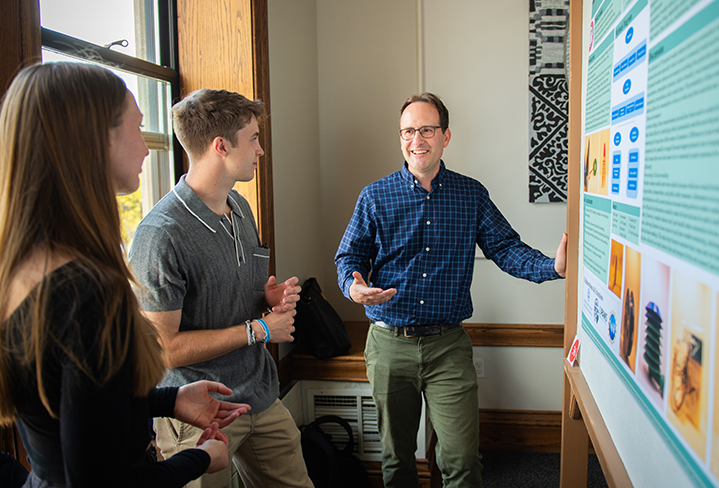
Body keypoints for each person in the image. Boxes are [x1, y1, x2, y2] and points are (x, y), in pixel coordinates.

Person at [0, 62, 250, 488]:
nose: (147, 148)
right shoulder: (87, 292)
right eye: (136, 127)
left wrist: (169, 399)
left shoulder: (21, 267)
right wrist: (199, 458)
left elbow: (75, 409)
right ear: (94, 140)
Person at [335, 92, 568, 487]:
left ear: (445, 136)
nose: (416, 140)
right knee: (397, 459)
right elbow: (348, 258)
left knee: (461, 460)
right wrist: (353, 289)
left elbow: (507, 249)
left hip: (448, 347)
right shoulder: (374, 196)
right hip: (389, 346)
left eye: (426, 130)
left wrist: (553, 267)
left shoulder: (471, 194)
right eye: (408, 131)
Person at [128, 88, 314, 488]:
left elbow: (232, 295)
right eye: (253, 139)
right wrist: (259, 330)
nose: (260, 150)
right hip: (199, 411)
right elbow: (164, 348)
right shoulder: (161, 235)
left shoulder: (240, 207)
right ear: (220, 146)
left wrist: (265, 300)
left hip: (260, 396)